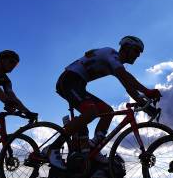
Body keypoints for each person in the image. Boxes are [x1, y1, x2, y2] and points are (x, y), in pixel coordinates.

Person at [47, 36, 161, 169]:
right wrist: (147, 91)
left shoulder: (116, 65)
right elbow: (126, 77)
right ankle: (53, 148)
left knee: (108, 112)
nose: (138, 55)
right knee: (91, 112)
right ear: (126, 47)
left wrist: (146, 107)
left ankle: (93, 148)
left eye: (140, 53)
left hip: (78, 84)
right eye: (136, 51)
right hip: (69, 80)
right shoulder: (111, 53)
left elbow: (130, 89)